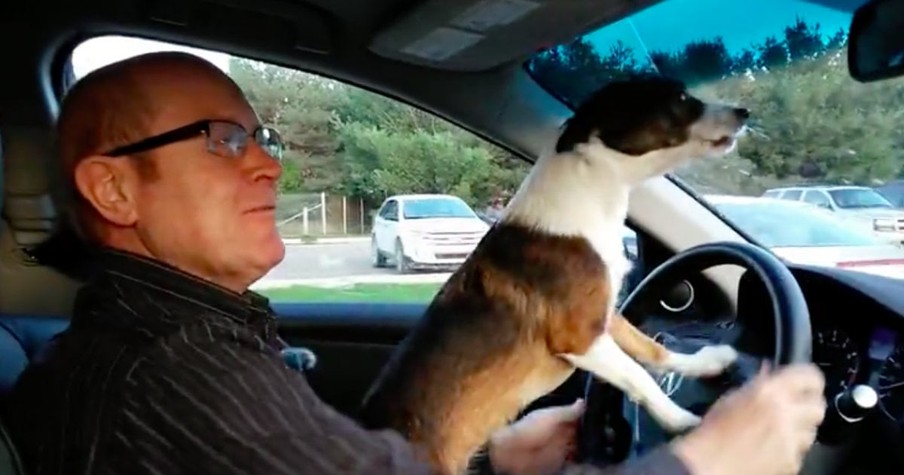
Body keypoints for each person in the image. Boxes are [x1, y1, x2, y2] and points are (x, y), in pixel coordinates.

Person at [2, 51, 826, 475]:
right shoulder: (174, 371)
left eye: (265, 138)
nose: (269, 166)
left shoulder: (181, 344)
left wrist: (493, 458)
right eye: (224, 141)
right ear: (113, 187)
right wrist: (702, 459)